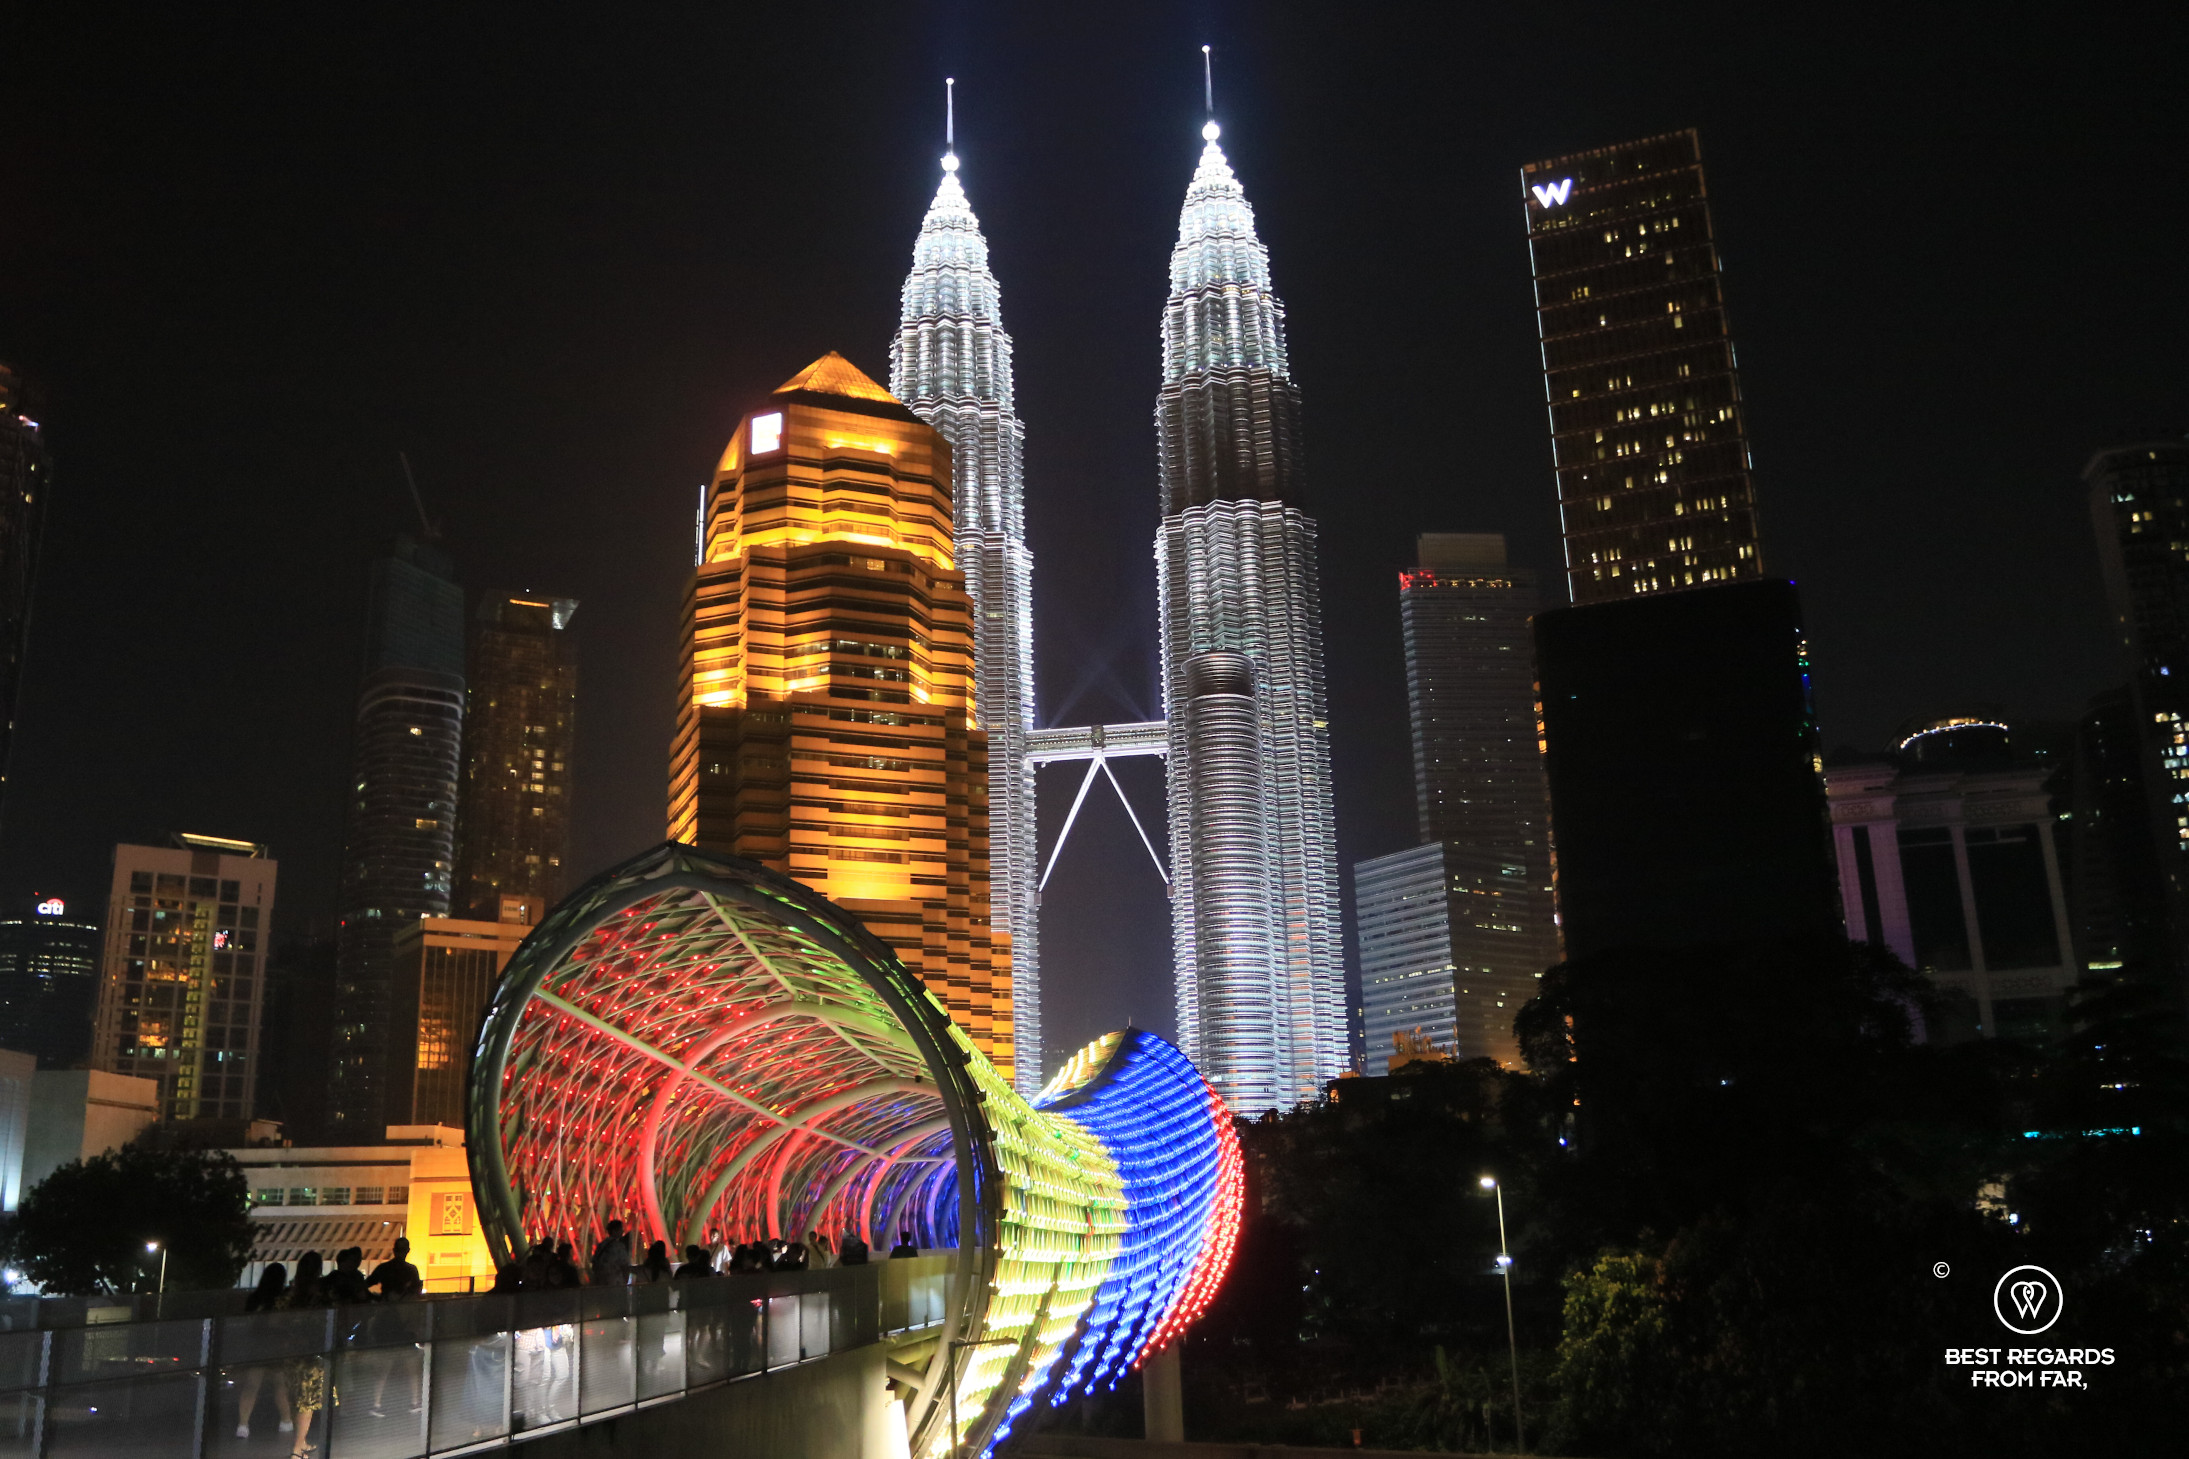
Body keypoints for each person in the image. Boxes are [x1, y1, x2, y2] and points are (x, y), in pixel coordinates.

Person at [281, 1253, 330, 1459]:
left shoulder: (290, 1293)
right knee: (307, 1403)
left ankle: (300, 1442)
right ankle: (297, 1449)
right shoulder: (319, 1295)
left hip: (290, 1352)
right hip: (311, 1353)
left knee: (295, 1400)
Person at [236, 1265, 294, 1440]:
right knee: (280, 1385)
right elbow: (285, 1323)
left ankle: (243, 1424)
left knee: (251, 1386)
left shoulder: (255, 1298)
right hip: (277, 1346)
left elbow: (247, 1322)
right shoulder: (283, 1299)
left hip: (257, 1345)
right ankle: (286, 1421)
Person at [589, 1220, 632, 1287]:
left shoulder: (602, 1245)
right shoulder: (618, 1246)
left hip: (600, 1282)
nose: (622, 1232)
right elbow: (625, 1265)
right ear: (614, 1231)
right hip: (615, 1282)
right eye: (620, 1229)